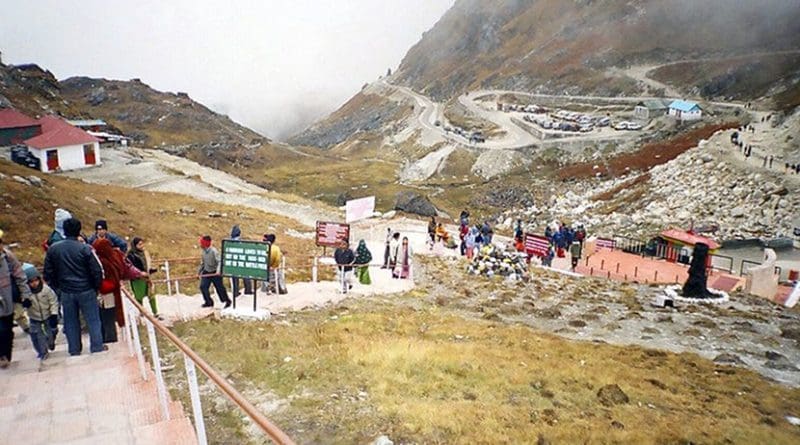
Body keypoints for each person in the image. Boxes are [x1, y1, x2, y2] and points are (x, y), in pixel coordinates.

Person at [43, 218, 105, 356]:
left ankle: (74, 349)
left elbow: (48, 272)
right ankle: (97, 346)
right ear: (79, 230)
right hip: (86, 289)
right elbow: (96, 271)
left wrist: (58, 287)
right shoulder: (85, 248)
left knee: (70, 322)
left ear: (64, 231)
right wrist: (96, 287)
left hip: (66, 291)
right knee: (93, 319)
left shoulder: (54, 249)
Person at [1, 230, 32, 368]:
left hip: (7, 302)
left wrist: (25, 295)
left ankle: (5, 354)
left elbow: (20, 277)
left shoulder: (8, 257)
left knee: (7, 330)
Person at [21, 264, 58, 360]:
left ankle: (51, 341)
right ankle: (42, 351)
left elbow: (53, 301)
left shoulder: (46, 290)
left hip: (48, 315)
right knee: (37, 335)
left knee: (50, 332)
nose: (34, 283)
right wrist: (25, 303)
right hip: (34, 317)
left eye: (36, 280)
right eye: (31, 282)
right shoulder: (26, 292)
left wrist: (54, 313)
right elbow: (22, 303)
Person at [93, 238, 127, 343]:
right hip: (114, 292)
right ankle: (111, 337)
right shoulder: (115, 256)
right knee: (110, 317)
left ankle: (108, 339)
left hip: (106, 293)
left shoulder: (102, 261)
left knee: (105, 317)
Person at [127, 237, 159, 318]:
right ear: (135, 245)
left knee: (151, 295)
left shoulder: (145, 253)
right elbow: (131, 268)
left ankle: (155, 312)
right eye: (139, 244)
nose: (141, 246)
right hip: (137, 280)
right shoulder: (131, 255)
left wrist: (150, 270)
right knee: (139, 296)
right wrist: (140, 273)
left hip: (146, 278)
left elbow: (147, 265)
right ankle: (141, 312)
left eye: (142, 244)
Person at [198, 235, 231, 308]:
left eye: (201, 243)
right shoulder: (203, 252)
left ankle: (227, 301)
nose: (200, 244)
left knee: (220, 288)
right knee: (203, 286)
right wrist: (199, 271)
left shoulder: (214, 251)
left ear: (205, 243)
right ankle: (208, 302)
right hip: (206, 272)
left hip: (215, 272)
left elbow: (219, 261)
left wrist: (218, 271)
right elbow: (203, 262)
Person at [230, 225, 253, 296]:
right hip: (241, 261)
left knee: (235, 277)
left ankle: (236, 292)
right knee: (246, 274)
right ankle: (248, 290)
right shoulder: (240, 242)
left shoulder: (229, 242)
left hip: (233, 262)